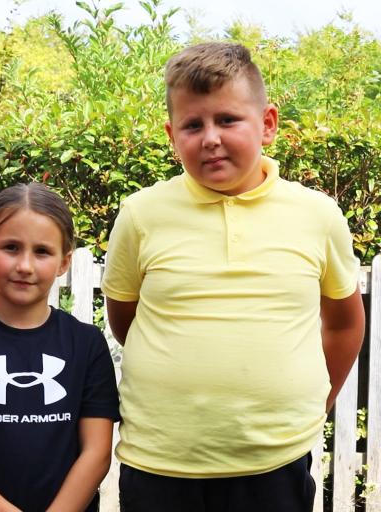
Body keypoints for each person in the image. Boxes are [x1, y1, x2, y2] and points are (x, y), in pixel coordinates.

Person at [101, 42, 366, 512]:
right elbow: (127, 317)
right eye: (192, 125)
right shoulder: (141, 215)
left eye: (227, 120)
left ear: (267, 124)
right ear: (171, 134)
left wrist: (316, 403)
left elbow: (345, 323)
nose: (210, 138)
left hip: (275, 463)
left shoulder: (316, 215)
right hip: (160, 463)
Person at [0, 182, 120, 512]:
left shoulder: (86, 344)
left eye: (42, 251)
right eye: (11, 247)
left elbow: (96, 452)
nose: (25, 266)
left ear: (64, 262)